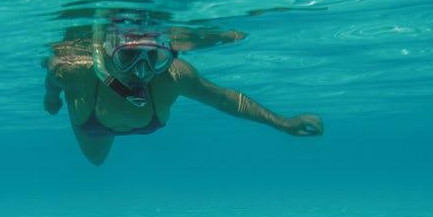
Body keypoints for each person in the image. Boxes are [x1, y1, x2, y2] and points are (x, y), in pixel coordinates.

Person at [44, 19, 324, 165]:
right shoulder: (77, 72)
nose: (141, 71)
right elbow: (54, 78)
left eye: (153, 58)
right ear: (106, 54)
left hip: (96, 116)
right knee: (96, 160)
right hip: (92, 120)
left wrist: (282, 123)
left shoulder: (173, 77)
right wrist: (53, 97)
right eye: (127, 57)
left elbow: (223, 98)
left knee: (96, 159)